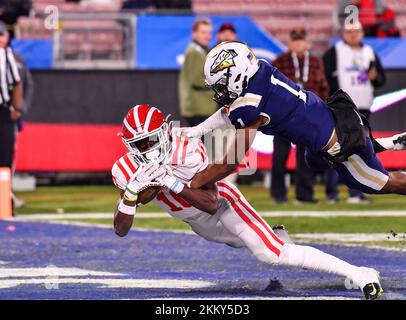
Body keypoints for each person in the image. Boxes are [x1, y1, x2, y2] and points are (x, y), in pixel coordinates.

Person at [112, 104, 384, 299]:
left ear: (163, 132)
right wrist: (131, 194)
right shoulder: (124, 169)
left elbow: (209, 201)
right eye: (138, 144)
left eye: (149, 141)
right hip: (197, 223)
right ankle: (272, 235)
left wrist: (171, 181)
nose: (145, 150)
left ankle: (360, 272)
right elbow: (121, 229)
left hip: (221, 205)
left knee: (271, 253)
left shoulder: (187, 149)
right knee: (241, 241)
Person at [176, 41, 406, 207]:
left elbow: (230, 162)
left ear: (237, 76)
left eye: (222, 85)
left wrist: (192, 183)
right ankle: (386, 143)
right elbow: (232, 109)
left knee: (384, 184)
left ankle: (377, 146)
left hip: (341, 145)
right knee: (312, 161)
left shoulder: (249, 106)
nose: (221, 92)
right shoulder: (261, 71)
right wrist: (198, 130)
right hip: (334, 121)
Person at [323, 21, 386, 203]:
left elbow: (381, 79)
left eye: (356, 31)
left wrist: (375, 78)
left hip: (363, 108)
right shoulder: (334, 52)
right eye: (349, 31)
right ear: (342, 33)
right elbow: (327, 77)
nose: (353, 35)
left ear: (362, 33)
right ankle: (332, 192)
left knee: (361, 150)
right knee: (335, 149)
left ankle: (356, 192)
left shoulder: (369, 52)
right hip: (342, 109)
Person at [271, 27, 329, 204]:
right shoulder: (280, 62)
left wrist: (320, 110)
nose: (298, 44)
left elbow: (323, 87)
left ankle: (305, 195)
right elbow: (272, 89)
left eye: (301, 41)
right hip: (283, 116)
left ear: (307, 43)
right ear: (290, 43)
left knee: (305, 157)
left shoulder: (315, 62)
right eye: (295, 41)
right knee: (280, 155)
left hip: (306, 115)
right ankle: (279, 195)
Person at [179, 18, 217, 127]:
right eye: (203, 32)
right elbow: (196, 80)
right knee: (206, 143)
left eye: (209, 33)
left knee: (205, 142)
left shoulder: (201, 50)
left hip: (202, 108)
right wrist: (219, 81)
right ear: (194, 34)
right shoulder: (194, 52)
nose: (207, 36)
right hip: (199, 109)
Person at [0, 21, 22, 213]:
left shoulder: (7, 56)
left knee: (5, 157)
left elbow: (16, 82)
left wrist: (16, 107)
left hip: (3, 110)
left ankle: (4, 202)